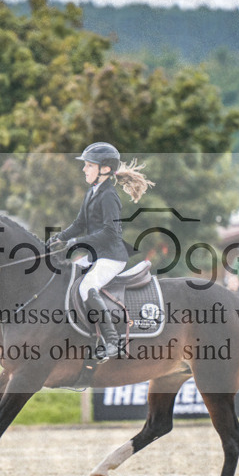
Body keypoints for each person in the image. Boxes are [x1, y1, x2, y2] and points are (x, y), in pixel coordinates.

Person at [48, 142, 154, 361]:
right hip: (97, 255)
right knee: (68, 277)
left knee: (87, 286)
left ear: (104, 169)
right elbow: (79, 223)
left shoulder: (109, 196)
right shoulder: (92, 192)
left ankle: (113, 342)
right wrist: (60, 238)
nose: (84, 169)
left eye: (89, 165)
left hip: (111, 257)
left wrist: (78, 241)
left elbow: (110, 233)